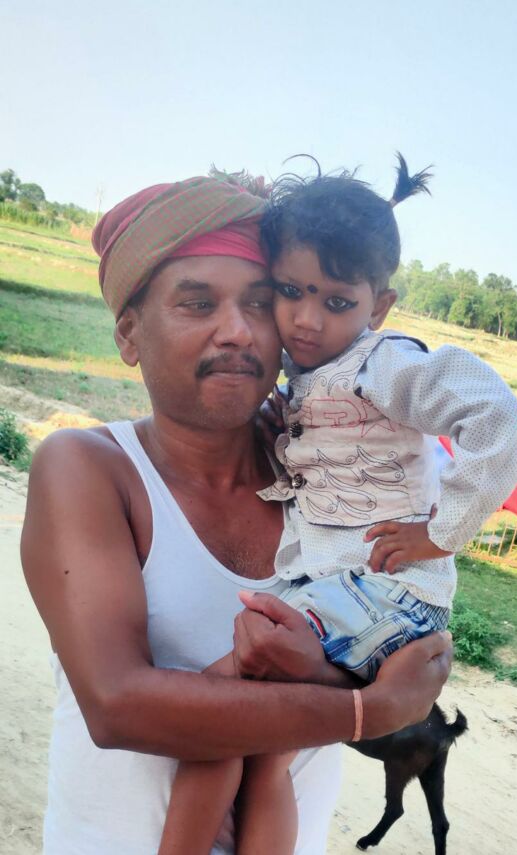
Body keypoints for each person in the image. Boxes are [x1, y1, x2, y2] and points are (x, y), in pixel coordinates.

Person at [21, 171, 453, 855]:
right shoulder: (92, 470)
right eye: (198, 304)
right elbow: (118, 704)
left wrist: (370, 689)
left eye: (259, 301)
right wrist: (363, 710)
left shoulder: (326, 480)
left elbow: (409, 664)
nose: (238, 331)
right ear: (129, 334)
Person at [159, 159, 517, 854]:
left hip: (386, 593)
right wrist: (283, 438)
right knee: (267, 751)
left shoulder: (381, 364)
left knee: (216, 706)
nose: (306, 319)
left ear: (377, 307)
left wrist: (441, 531)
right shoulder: (311, 376)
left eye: (336, 302)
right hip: (347, 592)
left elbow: (497, 416)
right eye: (291, 291)